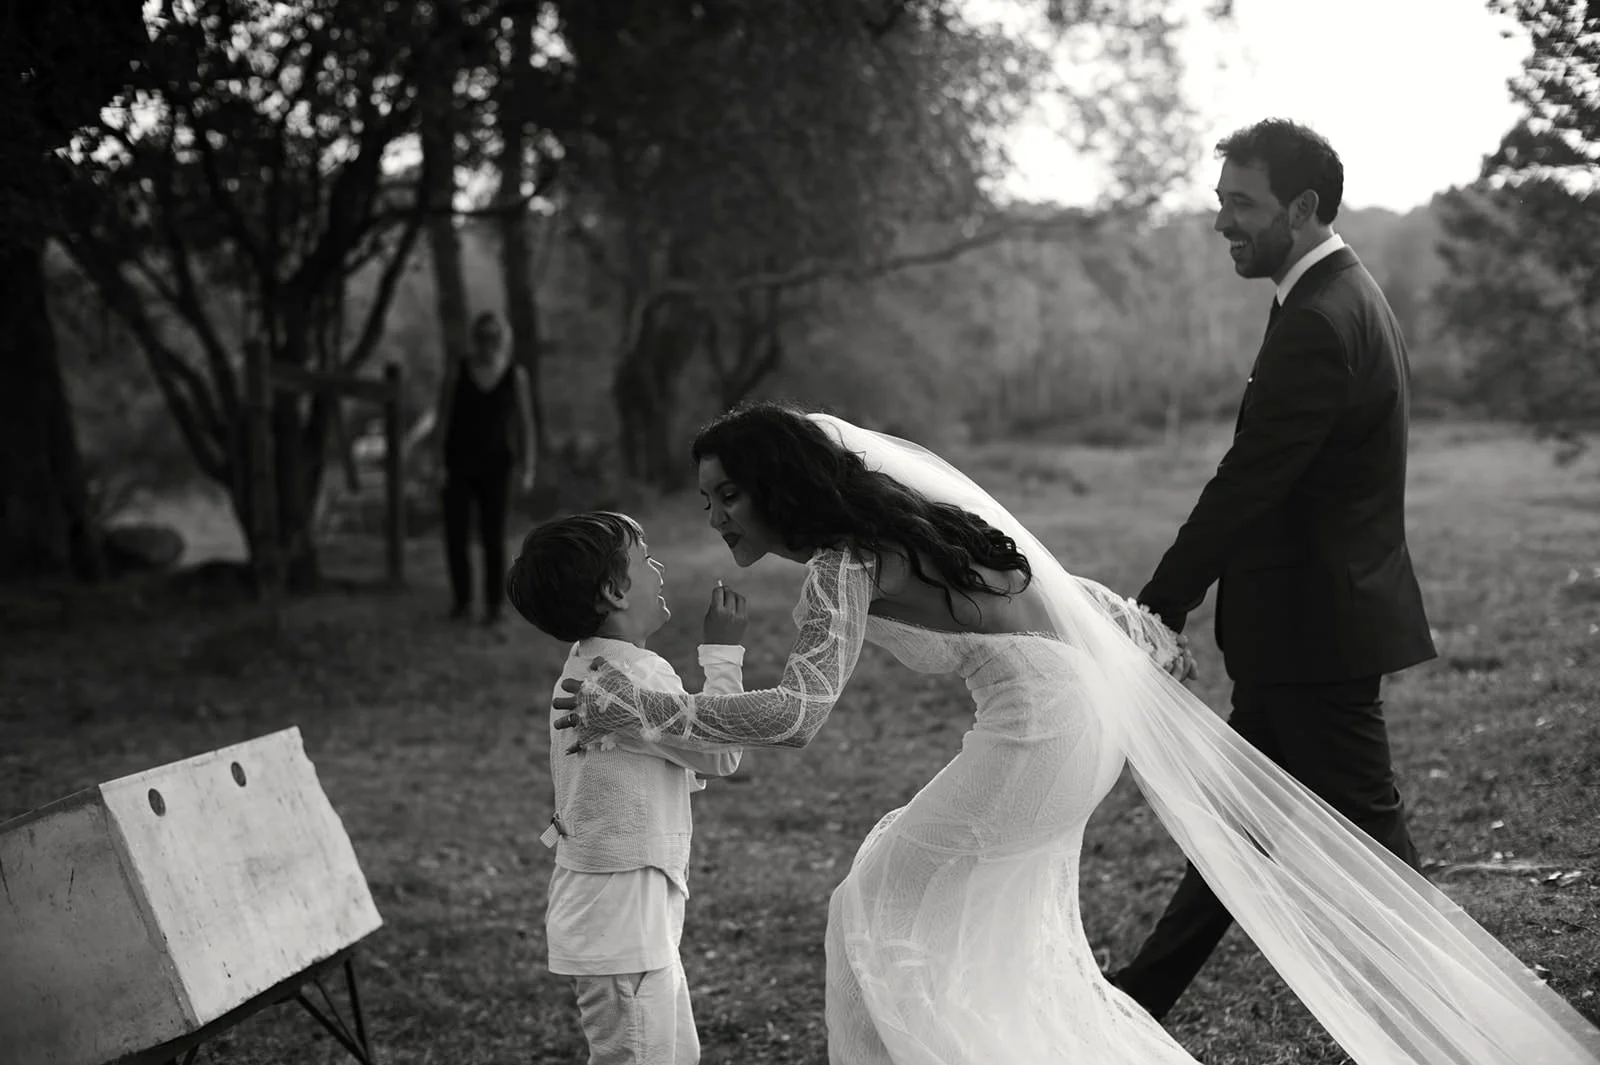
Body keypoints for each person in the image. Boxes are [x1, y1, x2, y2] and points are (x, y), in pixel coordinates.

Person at [552, 401, 1600, 1064]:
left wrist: (648, 707)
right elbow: (1044, 587)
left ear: (777, 485)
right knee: (983, 933)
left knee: (875, 904)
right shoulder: (894, 530)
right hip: (1073, 720)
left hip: (1040, 733)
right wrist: (1132, 630)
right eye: (704, 502)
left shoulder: (838, 561)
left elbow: (798, 712)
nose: (716, 518)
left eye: (727, 495)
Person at [1109, 118, 1439, 1019]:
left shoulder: (1322, 319)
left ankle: (1461, 1019)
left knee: (1377, 856)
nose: (1224, 222)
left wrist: (1159, 603)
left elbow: (1248, 482)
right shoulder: (1333, 291)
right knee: (1234, 833)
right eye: (1221, 203)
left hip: (1315, 634)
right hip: (1304, 628)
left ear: (1302, 206)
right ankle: (1138, 1000)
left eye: (1241, 204)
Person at [507, 510, 748, 1065]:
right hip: (623, 927)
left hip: (620, 920)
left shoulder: (588, 665)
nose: (659, 569)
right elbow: (722, 749)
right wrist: (722, 653)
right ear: (616, 590)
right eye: (647, 561)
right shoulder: (630, 677)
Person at [436, 310, 537, 623]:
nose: (487, 343)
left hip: (498, 465)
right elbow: (443, 420)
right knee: (457, 533)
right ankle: (462, 602)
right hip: (459, 462)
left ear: (502, 339)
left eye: (493, 337)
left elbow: (526, 424)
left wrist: (529, 466)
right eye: (482, 337)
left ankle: (494, 606)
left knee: (494, 535)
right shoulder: (458, 372)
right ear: (474, 339)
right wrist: (437, 462)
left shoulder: (514, 375)